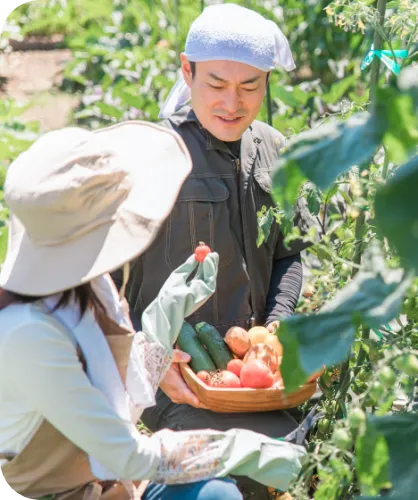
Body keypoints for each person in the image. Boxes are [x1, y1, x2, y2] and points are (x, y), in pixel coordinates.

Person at [0, 122, 306, 499]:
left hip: (111, 486)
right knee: (217, 495)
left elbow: (115, 398)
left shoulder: (86, 288)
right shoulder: (27, 334)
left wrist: (164, 319)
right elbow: (129, 455)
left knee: (214, 491)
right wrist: (241, 449)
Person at [111, 4, 320, 484]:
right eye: (216, 85)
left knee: (292, 464)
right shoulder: (153, 159)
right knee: (225, 482)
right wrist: (144, 358)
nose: (233, 103)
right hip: (179, 383)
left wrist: (274, 329)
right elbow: (102, 281)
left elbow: (290, 252)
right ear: (187, 71)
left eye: (250, 87)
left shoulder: (275, 149)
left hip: (256, 379)